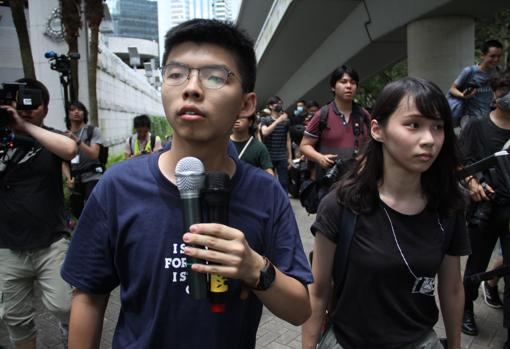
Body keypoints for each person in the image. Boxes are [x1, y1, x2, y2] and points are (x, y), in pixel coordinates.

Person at [61, 19, 312, 349]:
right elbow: (89, 297)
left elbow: (299, 310)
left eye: (214, 77)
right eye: (176, 74)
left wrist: (255, 268)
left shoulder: (266, 194)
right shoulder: (118, 187)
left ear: (247, 104)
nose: (191, 88)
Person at [302, 77, 470, 349]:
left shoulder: (448, 206)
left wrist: (455, 345)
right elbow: (318, 291)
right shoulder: (341, 204)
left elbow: (451, 289)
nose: (429, 140)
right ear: (378, 130)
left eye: (438, 127)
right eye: (413, 124)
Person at [0, 78, 77, 349]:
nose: (24, 108)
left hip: (50, 242)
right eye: (18, 102)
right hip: (7, 246)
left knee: (66, 306)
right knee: (16, 318)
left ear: (44, 109)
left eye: (31, 103)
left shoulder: (50, 137)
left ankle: (68, 328)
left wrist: (25, 127)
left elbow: (70, 149)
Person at [459, 71, 510, 346]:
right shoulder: (476, 128)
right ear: (494, 94)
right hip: (484, 211)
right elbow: (460, 163)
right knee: (476, 266)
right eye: (503, 91)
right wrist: (472, 182)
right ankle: (466, 308)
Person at [299, 65, 370, 182]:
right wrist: (319, 158)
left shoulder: (364, 115)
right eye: (343, 82)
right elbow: (304, 146)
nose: (348, 86)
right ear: (333, 87)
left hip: (357, 182)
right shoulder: (322, 114)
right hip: (328, 181)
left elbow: (372, 144)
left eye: (352, 83)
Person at [62, 101, 104, 219]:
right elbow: (63, 161)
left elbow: (94, 155)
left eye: (80, 109)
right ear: (68, 114)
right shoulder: (64, 135)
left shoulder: (92, 131)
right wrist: (68, 178)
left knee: (94, 207)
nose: (76, 112)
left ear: (84, 113)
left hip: (93, 175)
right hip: (75, 179)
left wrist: (76, 140)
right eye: (72, 109)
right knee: (76, 210)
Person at [449, 39, 503, 128]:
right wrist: (463, 95)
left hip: (489, 118)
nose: (496, 59)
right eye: (492, 56)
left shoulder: (498, 72)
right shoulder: (470, 71)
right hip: (470, 118)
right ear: (482, 56)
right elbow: (452, 89)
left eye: (499, 56)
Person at [260, 96, 292, 192]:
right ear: (270, 106)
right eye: (276, 103)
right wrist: (278, 121)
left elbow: (288, 139)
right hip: (268, 156)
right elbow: (265, 132)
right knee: (268, 182)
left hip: (282, 156)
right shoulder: (265, 119)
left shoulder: (287, 121)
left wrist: (290, 157)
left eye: (280, 102)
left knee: (284, 182)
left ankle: (283, 204)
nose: (279, 105)